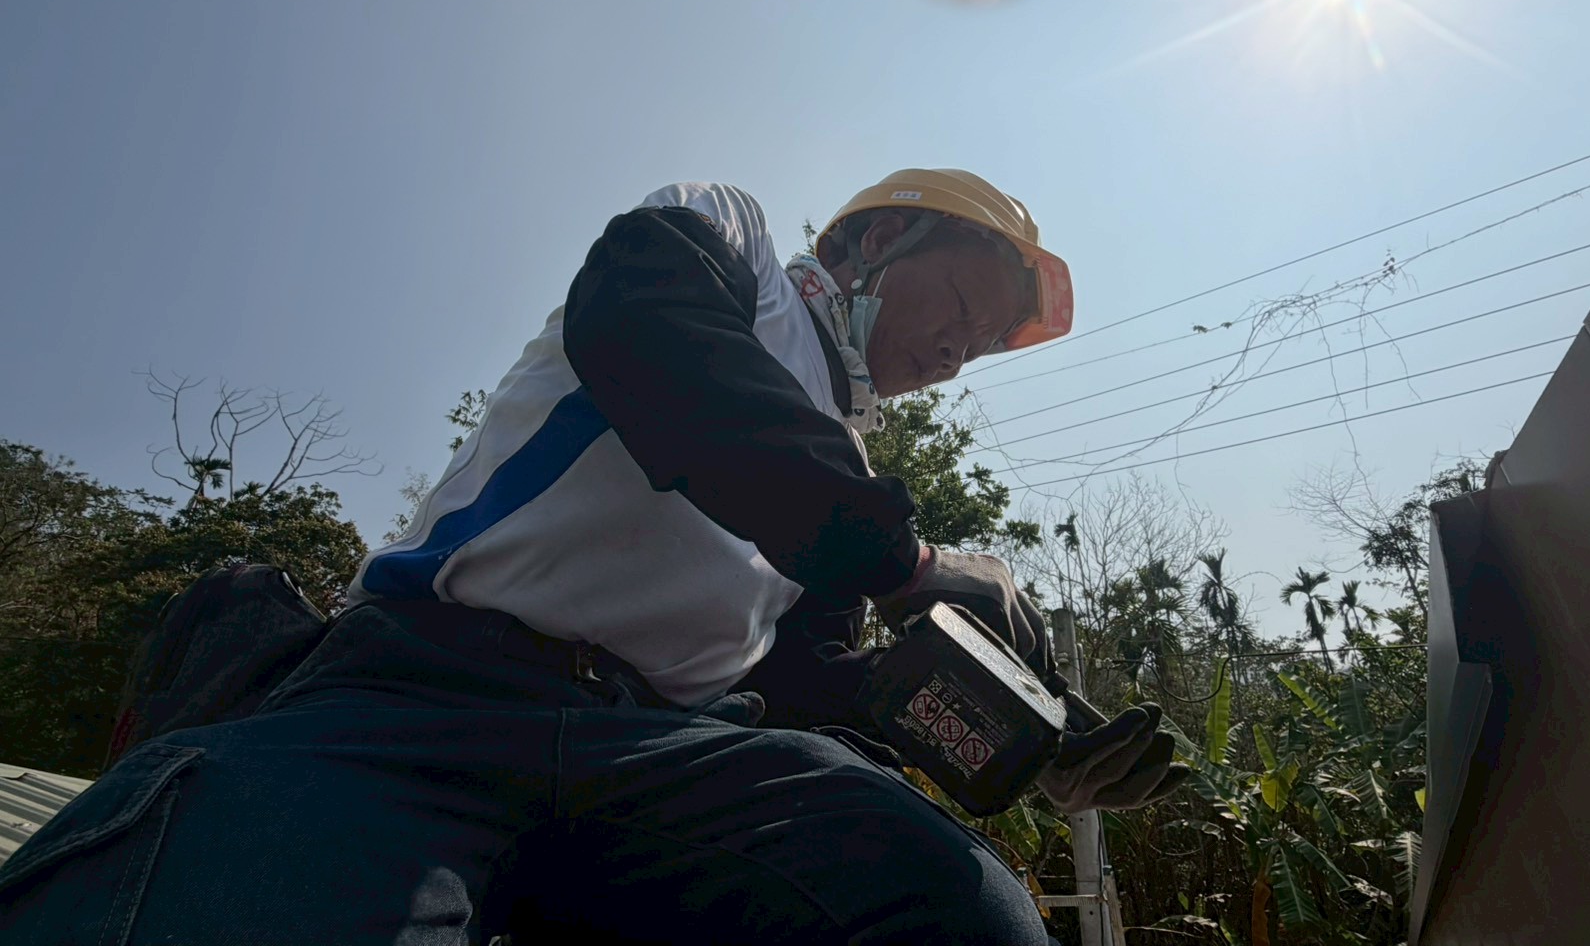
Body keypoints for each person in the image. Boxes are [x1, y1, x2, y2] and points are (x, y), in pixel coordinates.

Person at [0, 170, 1182, 945]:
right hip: (417, 697)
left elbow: (808, 682)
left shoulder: (843, 458)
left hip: (653, 752)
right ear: (878, 237)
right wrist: (913, 562)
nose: (959, 352)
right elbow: (652, 344)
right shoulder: (727, 242)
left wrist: (1010, 740)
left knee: (960, 911)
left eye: (981, 347)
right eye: (962, 305)